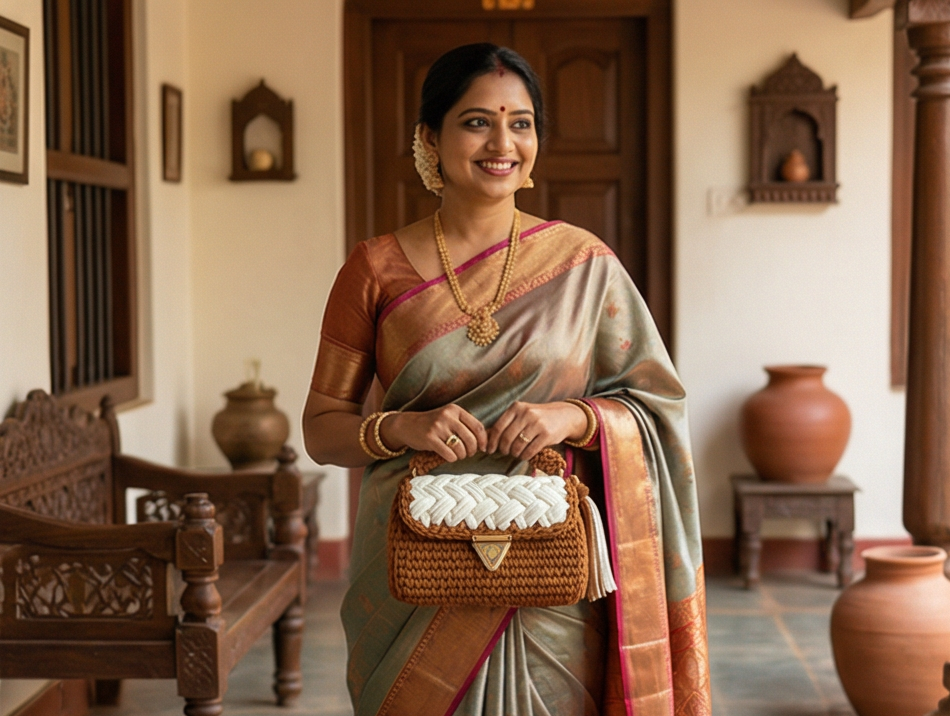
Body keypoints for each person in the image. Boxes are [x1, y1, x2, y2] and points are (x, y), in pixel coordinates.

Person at [303, 43, 710, 716]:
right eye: (476, 122)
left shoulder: (586, 266)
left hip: (547, 560)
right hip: (412, 564)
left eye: (521, 122)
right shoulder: (374, 269)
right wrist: (401, 426)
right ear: (429, 137)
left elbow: (656, 404)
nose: (502, 142)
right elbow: (322, 430)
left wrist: (573, 418)